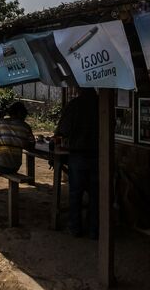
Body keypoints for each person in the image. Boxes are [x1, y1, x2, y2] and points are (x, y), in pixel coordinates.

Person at [55, 88, 99, 238]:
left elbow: (63, 129)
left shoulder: (75, 105)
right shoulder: (102, 104)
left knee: (76, 193)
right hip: (99, 156)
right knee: (96, 194)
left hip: (78, 155)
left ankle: (75, 228)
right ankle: (94, 230)